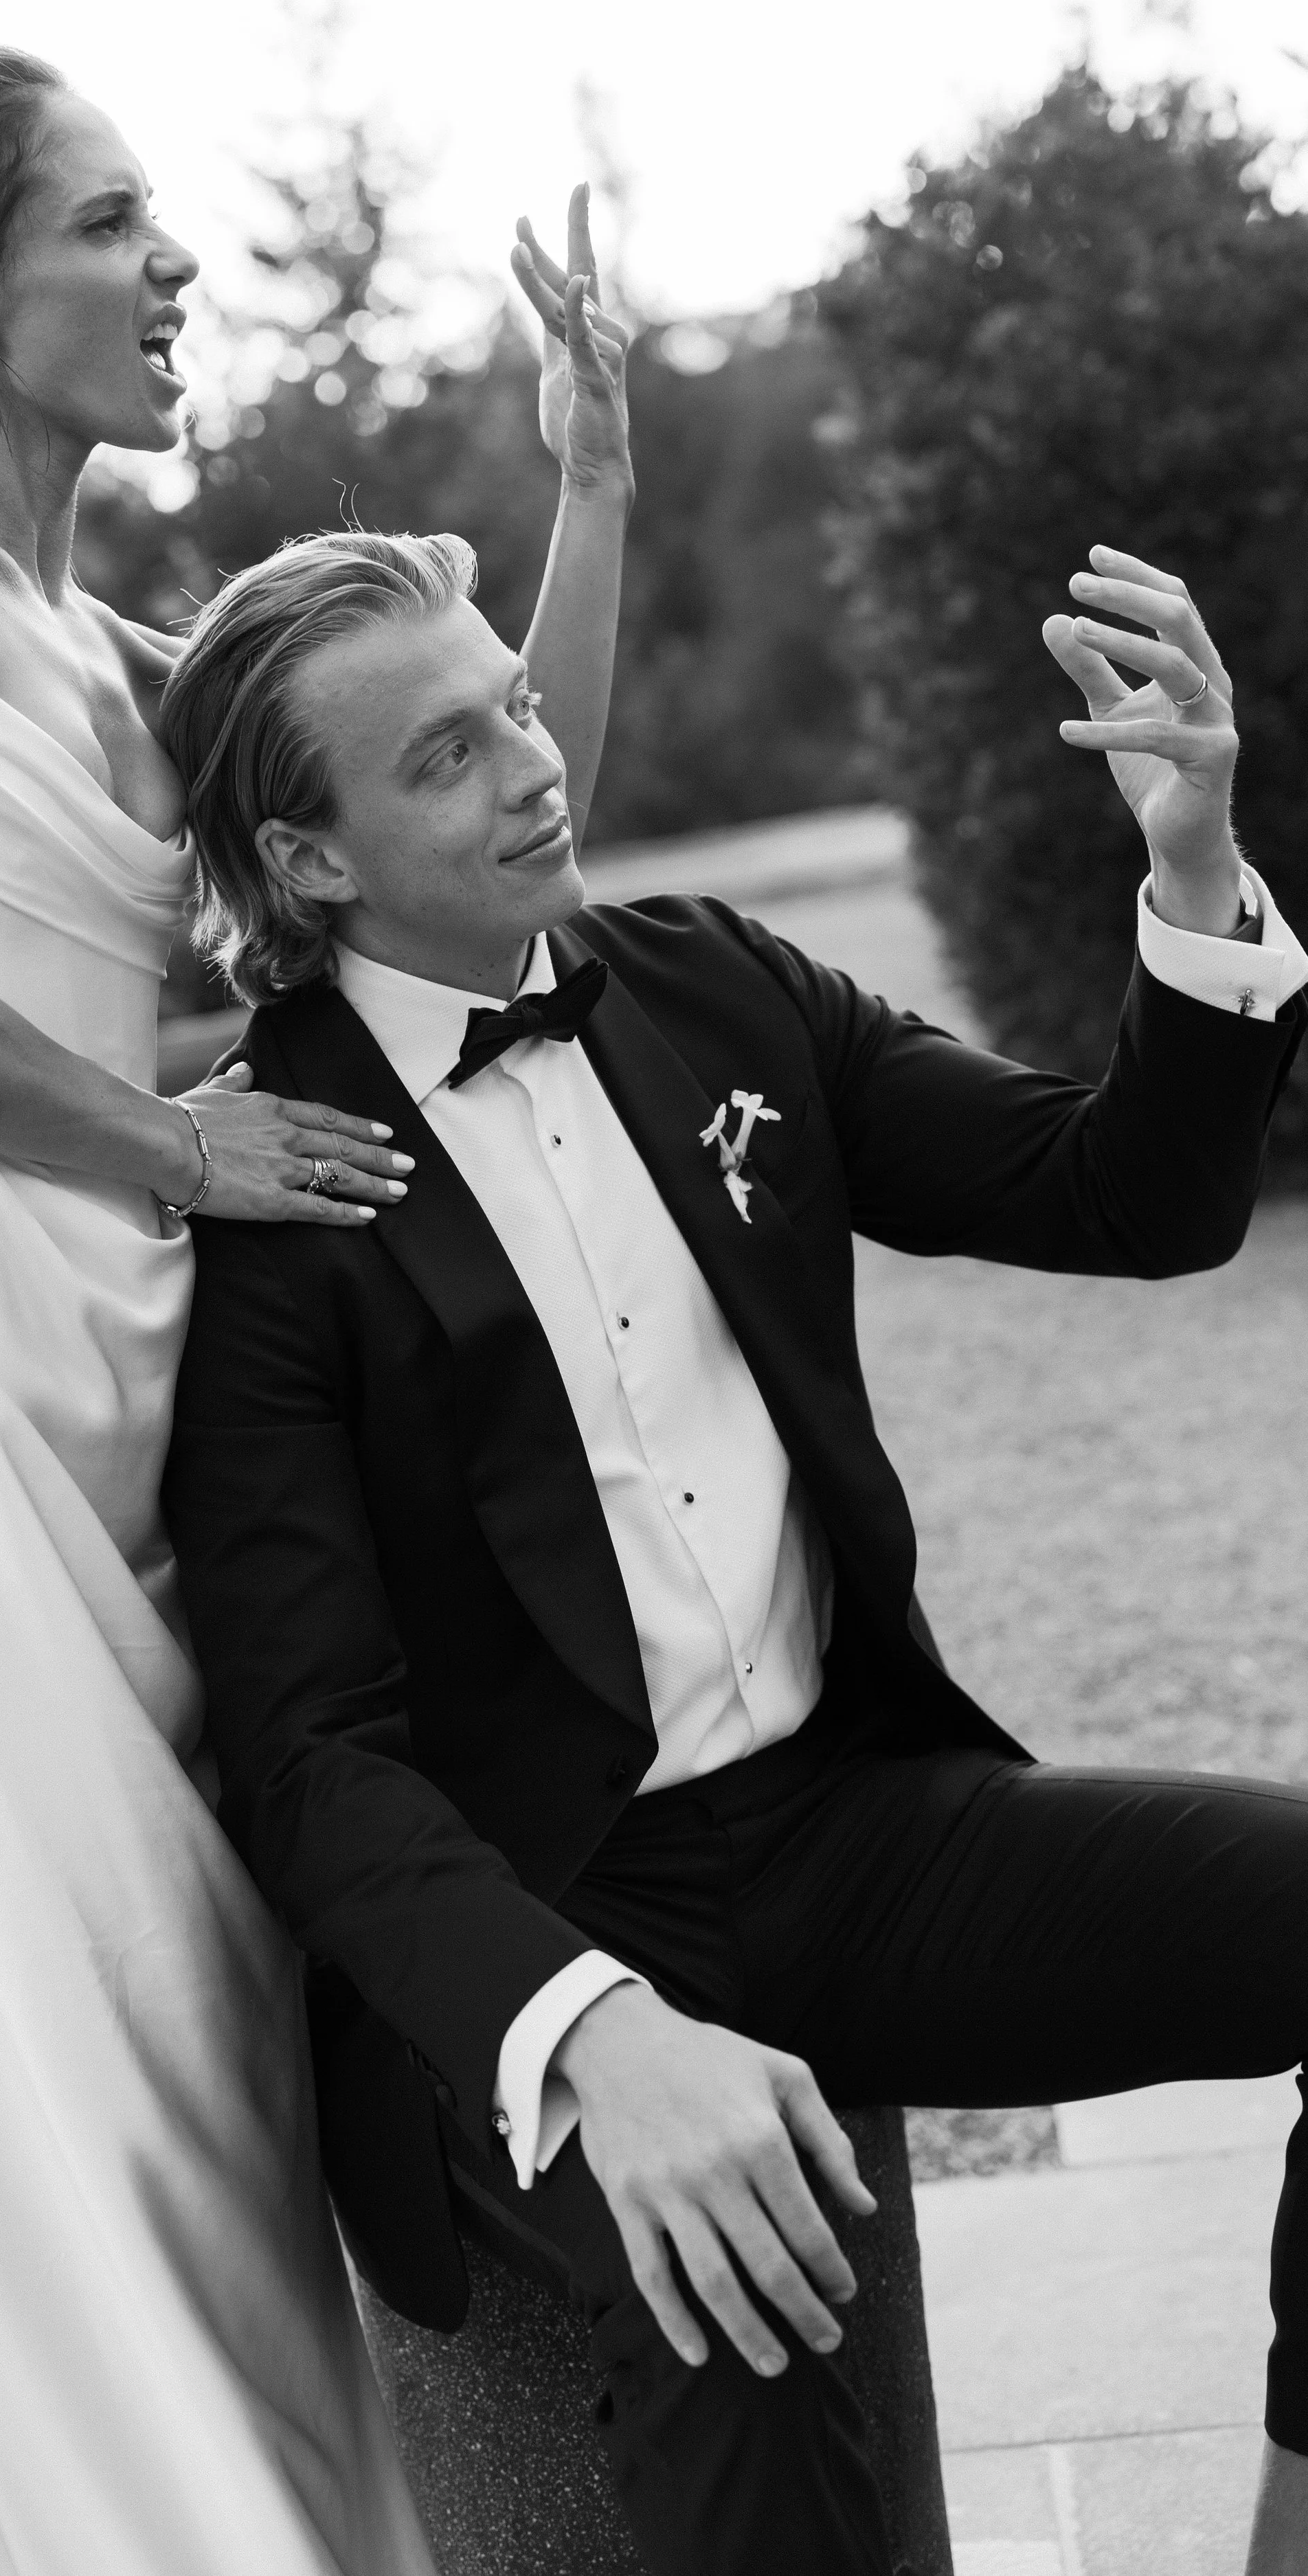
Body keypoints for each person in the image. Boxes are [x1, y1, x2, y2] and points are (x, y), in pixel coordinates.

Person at [0, 45, 635, 2572]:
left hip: (143, 1407)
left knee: (187, 2052)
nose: (171, 266)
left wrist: (593, 486)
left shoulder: (110, 643)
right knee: (67, 2045)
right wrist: (185, 1144)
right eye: (111, 225)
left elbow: (481, 842)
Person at [158, 525, 1308, 2575]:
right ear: (306, 855)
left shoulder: (716, 988)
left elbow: (1127, 1194)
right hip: (552, 1910)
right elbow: (314, 1757)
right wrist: (592, 2029)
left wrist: (1192, 865)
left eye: (514, 703)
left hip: (860, 1828)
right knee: (746, 2304)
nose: (530, 761)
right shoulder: (276, 1185)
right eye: (444, 755)